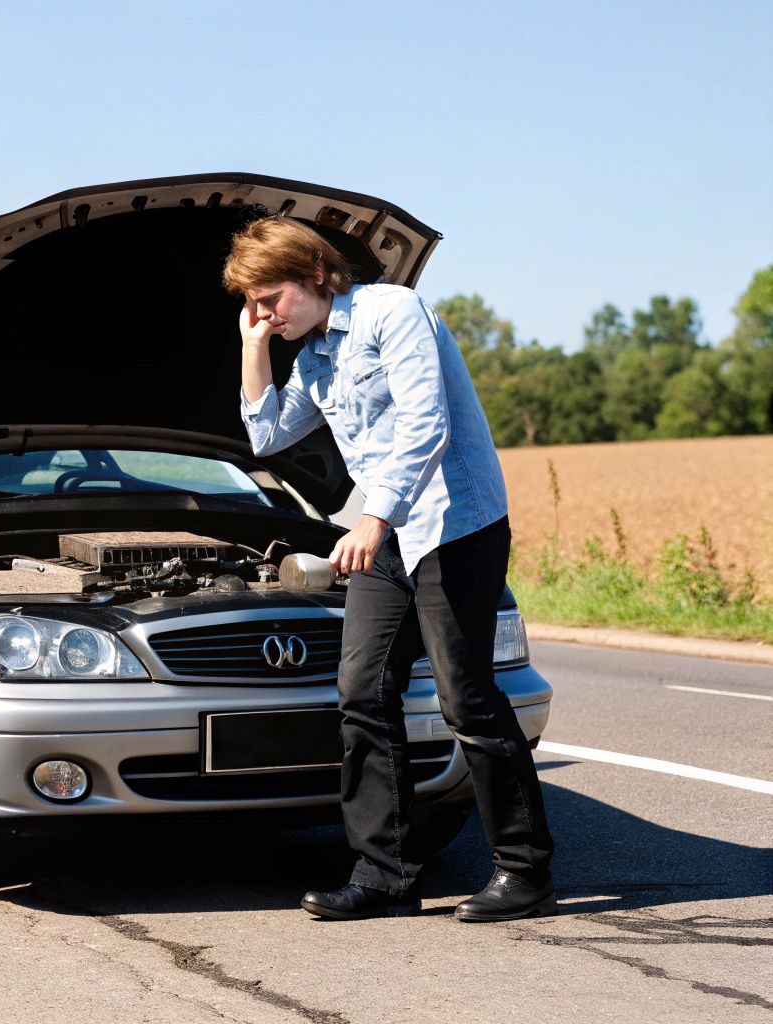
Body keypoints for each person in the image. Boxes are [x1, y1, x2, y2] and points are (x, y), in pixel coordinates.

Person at [223, 216, 556, 922]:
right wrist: (254, 348)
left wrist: (373, 519)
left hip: (454, 524)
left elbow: (425, 423)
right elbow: (267, 435)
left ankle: (525, 871)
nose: (264, 314)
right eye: (252, 304)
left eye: (270, 299)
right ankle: (385, 875)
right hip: (388, 534)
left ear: (316, 274)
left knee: (466, 698)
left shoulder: (391, 312)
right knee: (363, 692)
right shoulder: (313, 356)